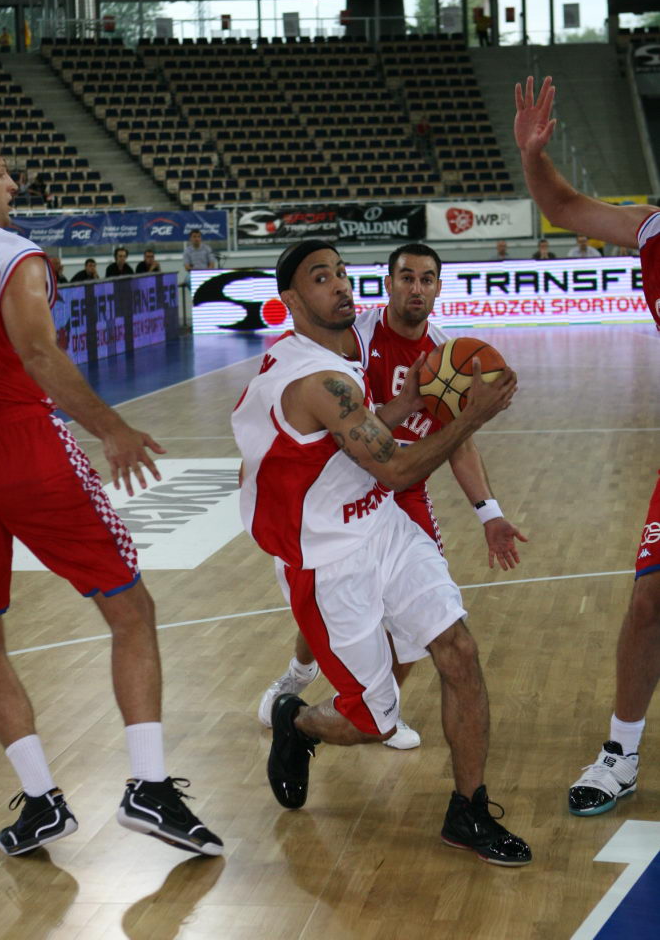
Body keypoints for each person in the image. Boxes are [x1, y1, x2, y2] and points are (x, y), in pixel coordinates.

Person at [232, 238, 531, 865]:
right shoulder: (316, 376)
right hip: (326, 557)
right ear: (291, 301)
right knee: (374, 723)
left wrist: (420, 400)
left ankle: (469, 810)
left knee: (459, 649)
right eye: (321, 278)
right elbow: (394, 468)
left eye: (342, 272)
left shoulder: (346, 348)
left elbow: (370, 435)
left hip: (382, 523)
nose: (341, 284)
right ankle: (296, 721)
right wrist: (471, 414)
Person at [0, 141, 222, 857]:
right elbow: (38, 353)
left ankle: (41, 802)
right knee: (130, 610)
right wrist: (112, 427)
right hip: (24, 447)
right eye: (0, 171)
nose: (12, 183)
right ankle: (148, 787)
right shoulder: (12, 254)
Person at [514, 75, 660, 816]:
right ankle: (620, 755)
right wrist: (534, 158)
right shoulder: (652, 231)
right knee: (648, 603)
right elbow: (565, 208)